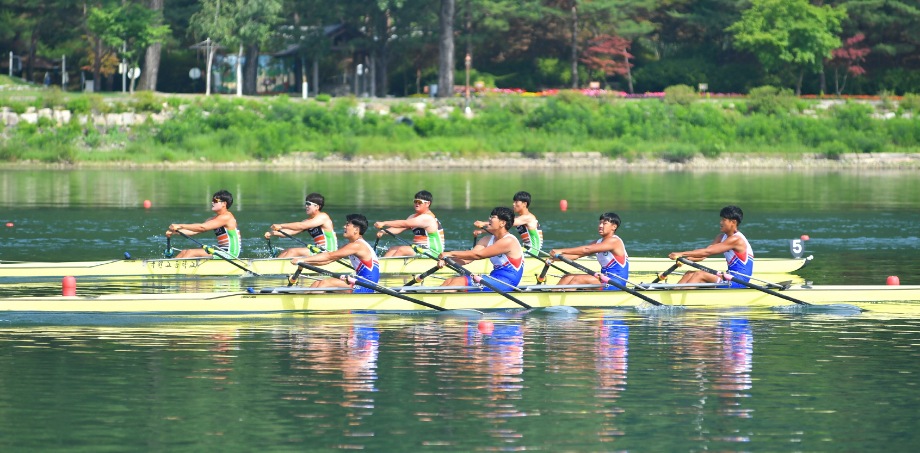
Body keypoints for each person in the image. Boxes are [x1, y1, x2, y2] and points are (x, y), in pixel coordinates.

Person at [438, 207, 524, 292]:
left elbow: (478, 255)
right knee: (449, 281)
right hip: (494, 277)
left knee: (457, 282)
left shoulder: (509, 241)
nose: (489, 219)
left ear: (502, 223)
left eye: (493, 217)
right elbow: (470, 257)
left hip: (507, 282)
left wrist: (450, 253)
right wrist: (449, 261)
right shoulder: (486, 239)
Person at [668, 205, 753, 288]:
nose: (720, 222)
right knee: (689, 273)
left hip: (739, 281)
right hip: (729, 276)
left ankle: (680, 300)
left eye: (724, 220)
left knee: (700, 274)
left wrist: (681, 254)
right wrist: (685, 260)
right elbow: (704, 255)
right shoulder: (721, 237)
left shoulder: (736, 240)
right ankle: (673, 295)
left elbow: (707, 251)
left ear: (733, 222)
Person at [291, 214, 379, 293]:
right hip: (359, 281)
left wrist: (302, 259)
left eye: (347, 225)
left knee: (325, 283)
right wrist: (305, 262)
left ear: (356, 229)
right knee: (317, 283)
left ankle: (315, 308)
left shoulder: (357, 245)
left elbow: (329, 256)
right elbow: (327, 260)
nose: (344, 227)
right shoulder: (350, 245)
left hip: (366, 286)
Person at [549, 212, 629, 290]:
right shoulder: (598, 242)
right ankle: (552, 300)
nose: (600, 226)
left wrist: (561, 251)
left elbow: (586, 249)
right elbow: (576, 255)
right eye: (600, 223)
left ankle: (569, 302)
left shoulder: (615, 241)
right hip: (603, 278)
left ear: (614, 227)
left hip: (616, 283)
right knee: (567, 277)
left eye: (604, 223)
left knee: (578, 280)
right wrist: (554, 259)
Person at [166, 189, 241, 259]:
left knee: (191, 252)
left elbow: (202, 227)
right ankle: (168, 267)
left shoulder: (227, 217)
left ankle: (176, 269)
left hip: (230, 254)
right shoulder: (213, 219)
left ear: (224, 203)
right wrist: (175, 232)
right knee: (184, 252)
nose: (212, 202)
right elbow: (194, 231)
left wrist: (180, 225)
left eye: (215, 200)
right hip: (222, 251)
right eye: (212, 200)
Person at [374, 190, 445, 257]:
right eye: (415, 201)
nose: (417, 203)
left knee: (402, 250)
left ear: (428, 203)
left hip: (433, 252)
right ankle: (381, 267)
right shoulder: (413, 217)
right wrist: (384, 231)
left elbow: (404, 223)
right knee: (392, 249)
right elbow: (399, 228)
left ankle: (390, 268)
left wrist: (384, 223)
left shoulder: (427, 218)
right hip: (419, 249)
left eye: (419, 202)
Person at [264, 193, 337, 258]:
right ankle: (272, 266)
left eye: (308, 204)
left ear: (317, 207)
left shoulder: (323, 217)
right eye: (305, 204)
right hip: (318, 250)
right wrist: (272, 233)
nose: (306, 206)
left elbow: (301, 225)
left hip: (329, 252)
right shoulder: (308, 221)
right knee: (286, 251)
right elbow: (290, 232)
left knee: (293, 251)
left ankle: (276, 268)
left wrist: (281, 225)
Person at [473, 191, 543, 256]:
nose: (513, 204)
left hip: (532, 252)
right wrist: (481, 231)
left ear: (524, 204)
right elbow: (501, 227)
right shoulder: (519, 218)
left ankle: (479, 255)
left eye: (516, 202)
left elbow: (505, 222)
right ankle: (478, 253)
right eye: (513, 202)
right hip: (526, 249)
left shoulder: (528, 217)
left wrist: (483, 223)